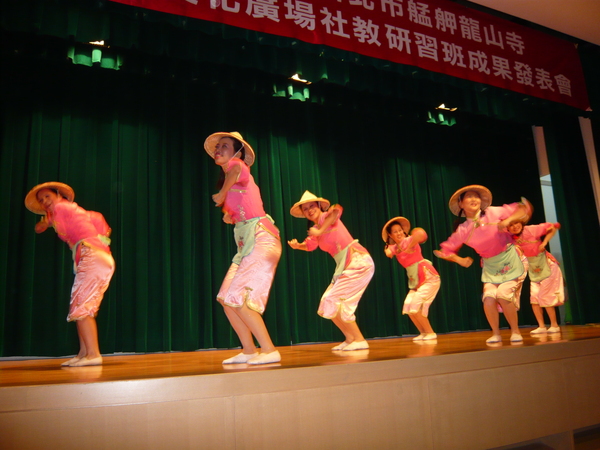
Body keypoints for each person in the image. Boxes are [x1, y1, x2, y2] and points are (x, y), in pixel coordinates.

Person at [205, 131, 282, 365]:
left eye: (225, 146)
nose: (219, 150)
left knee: (239, 297)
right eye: (217, 147)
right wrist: (229, 214)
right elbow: (240, 206)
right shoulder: (233, 180)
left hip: (261, 239)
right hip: (246, 245)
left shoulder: (237, 165)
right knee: (227, 298)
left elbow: (237, 170)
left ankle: (269, 350)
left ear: (238, 151)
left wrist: (222, 193)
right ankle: (249, 350)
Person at [25, 182, 115, 366]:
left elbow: (54, 216)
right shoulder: (74, 211)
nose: (44, 202)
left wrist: (44, 222)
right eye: (41, 200)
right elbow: (97, 219)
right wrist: (45, 223)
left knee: (81, 306)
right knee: (80, 305)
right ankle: (84, 353)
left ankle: (93, 354)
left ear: (58, 195)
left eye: (47, 196)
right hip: (97, 256)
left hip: (92, 255)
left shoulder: (62, 206)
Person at [433, 185, 532, 344]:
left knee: (503, 295)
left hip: (510, 259)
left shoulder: (493, 212)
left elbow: (523, 208)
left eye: (476, 196)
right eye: (469, 197)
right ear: (461, 204)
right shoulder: (463, 230)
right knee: (488, 299)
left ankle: (515, 331)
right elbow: (444, 251)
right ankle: (496, 334)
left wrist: (508, 220)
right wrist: (460, 260)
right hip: (490, 266)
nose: (474, 199)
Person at [288, 191, 374, 351]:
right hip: (344, 265)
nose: (309, 210)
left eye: (311, 206)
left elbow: (336, 211)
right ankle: (350, 338)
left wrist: (321, 231)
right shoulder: (315, 229)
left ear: (319, 206)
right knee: (328, 300)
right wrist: (297, 245)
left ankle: (360, 339)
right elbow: (310, 245)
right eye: (305, 209)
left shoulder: (326, 218)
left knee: (338, 300)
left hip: (358, 260)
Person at [382, 217, 441, 341]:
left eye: (400, 230)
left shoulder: (409, 240)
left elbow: (421, 234)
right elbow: (389, 252)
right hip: (415, 281)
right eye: (395, 231)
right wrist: (388, 250)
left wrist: (412, 243)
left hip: (428, 277)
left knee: (415, 305)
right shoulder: (395, 247)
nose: (398, 233)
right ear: (390, 235)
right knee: (408, 306)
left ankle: (430, 333)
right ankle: (423, 333)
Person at [507, 220, 564, 334]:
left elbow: (553, 227)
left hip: (547, 266)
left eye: (516, 223)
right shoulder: (510, 239)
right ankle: (541, 326)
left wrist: (544, 242)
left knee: (546, 296)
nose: (514, 226)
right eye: (511, 225)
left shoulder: (531, 229)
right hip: (533, 269)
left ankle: (554, 324)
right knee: (535, 299)